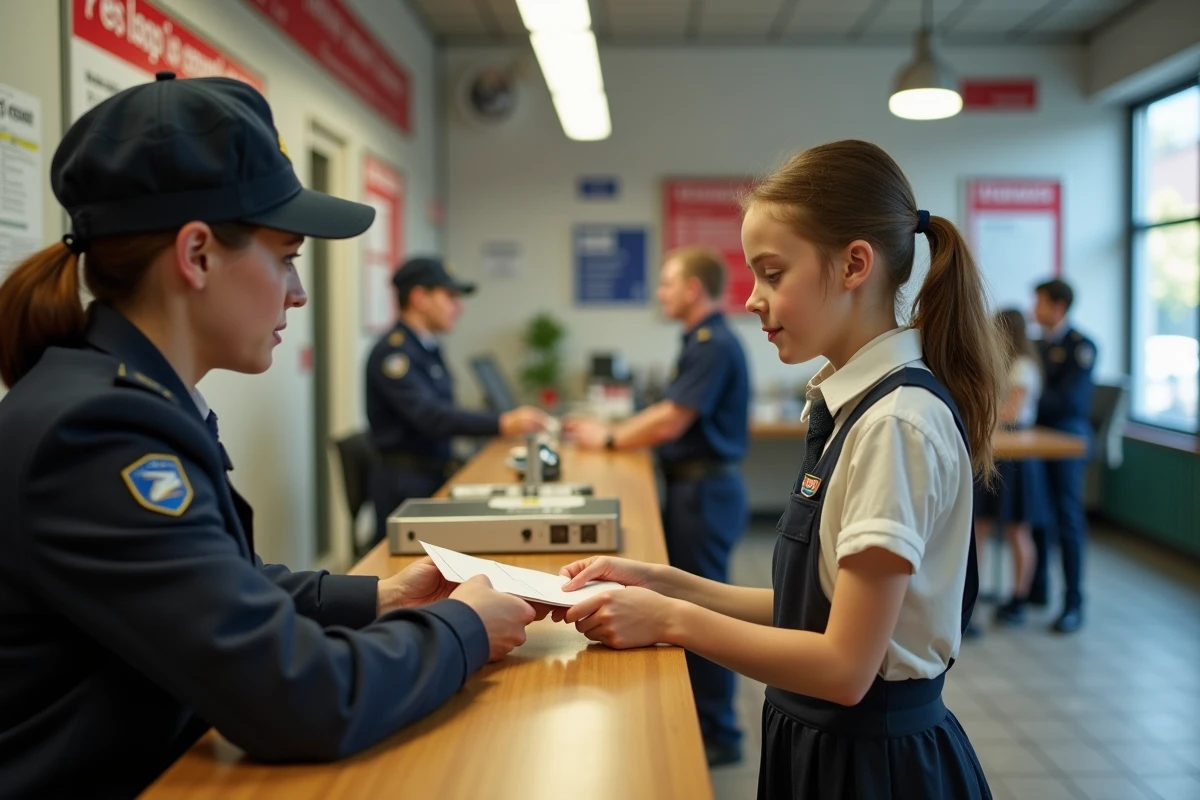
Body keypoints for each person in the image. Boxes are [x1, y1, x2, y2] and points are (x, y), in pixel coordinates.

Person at [0, 73, 542, 800]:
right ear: (196, 255)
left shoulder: (127, 397)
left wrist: (378, 599)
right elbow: (303, 700)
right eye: (286, 256)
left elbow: (210, 582)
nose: (298, 291)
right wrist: (463, 628)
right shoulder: (98, 435)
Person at [555, 140, 997, 798]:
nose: (753, 300)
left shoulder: (893, 425)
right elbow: (811, 614)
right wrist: (662, 582)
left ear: (853, 265)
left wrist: (668, 620)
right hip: (825, 746)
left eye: (772, 273)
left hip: (873, 768)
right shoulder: (852, 406)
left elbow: (846, 665)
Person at [564, 246, 751, 767]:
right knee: (693, 601)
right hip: (696, 487)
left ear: (693, 289)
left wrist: (608, 439)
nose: (660, 293)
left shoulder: (711, 342)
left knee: (701, 610)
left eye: (668, 284)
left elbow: (672, 419)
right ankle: (710, 721)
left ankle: (719, 732)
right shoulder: (699, 339)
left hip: (706, 491)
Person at [365, 257, 551, 547]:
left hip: (432, 473)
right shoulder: (394, 353)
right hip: (406, 484)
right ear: (419, 298)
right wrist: (502, 423)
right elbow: (431, 416)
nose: (459, 306)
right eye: (450, 296)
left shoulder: (426, 347)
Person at [1029, 278, 1096, 634]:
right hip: (1037, 438)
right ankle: (1037, 588)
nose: (1033, 309)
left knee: (1068, 517)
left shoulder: (1081, 347)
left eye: (1039, 302)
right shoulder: (1035, 346)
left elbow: (1070, 402)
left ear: (1058, 307)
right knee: (1038, 513)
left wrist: (1027, 398)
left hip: (1067, 438)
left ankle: (1073, 601)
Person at [973, 309, 1046, 630]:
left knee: (1018, 529)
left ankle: (1018, 597)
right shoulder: (1002, 364)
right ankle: (974, 597)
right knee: (979, 527)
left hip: (1016, 451)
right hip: (995, 448)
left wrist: (977, 410)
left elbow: (1011, 412)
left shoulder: (1024, 368)